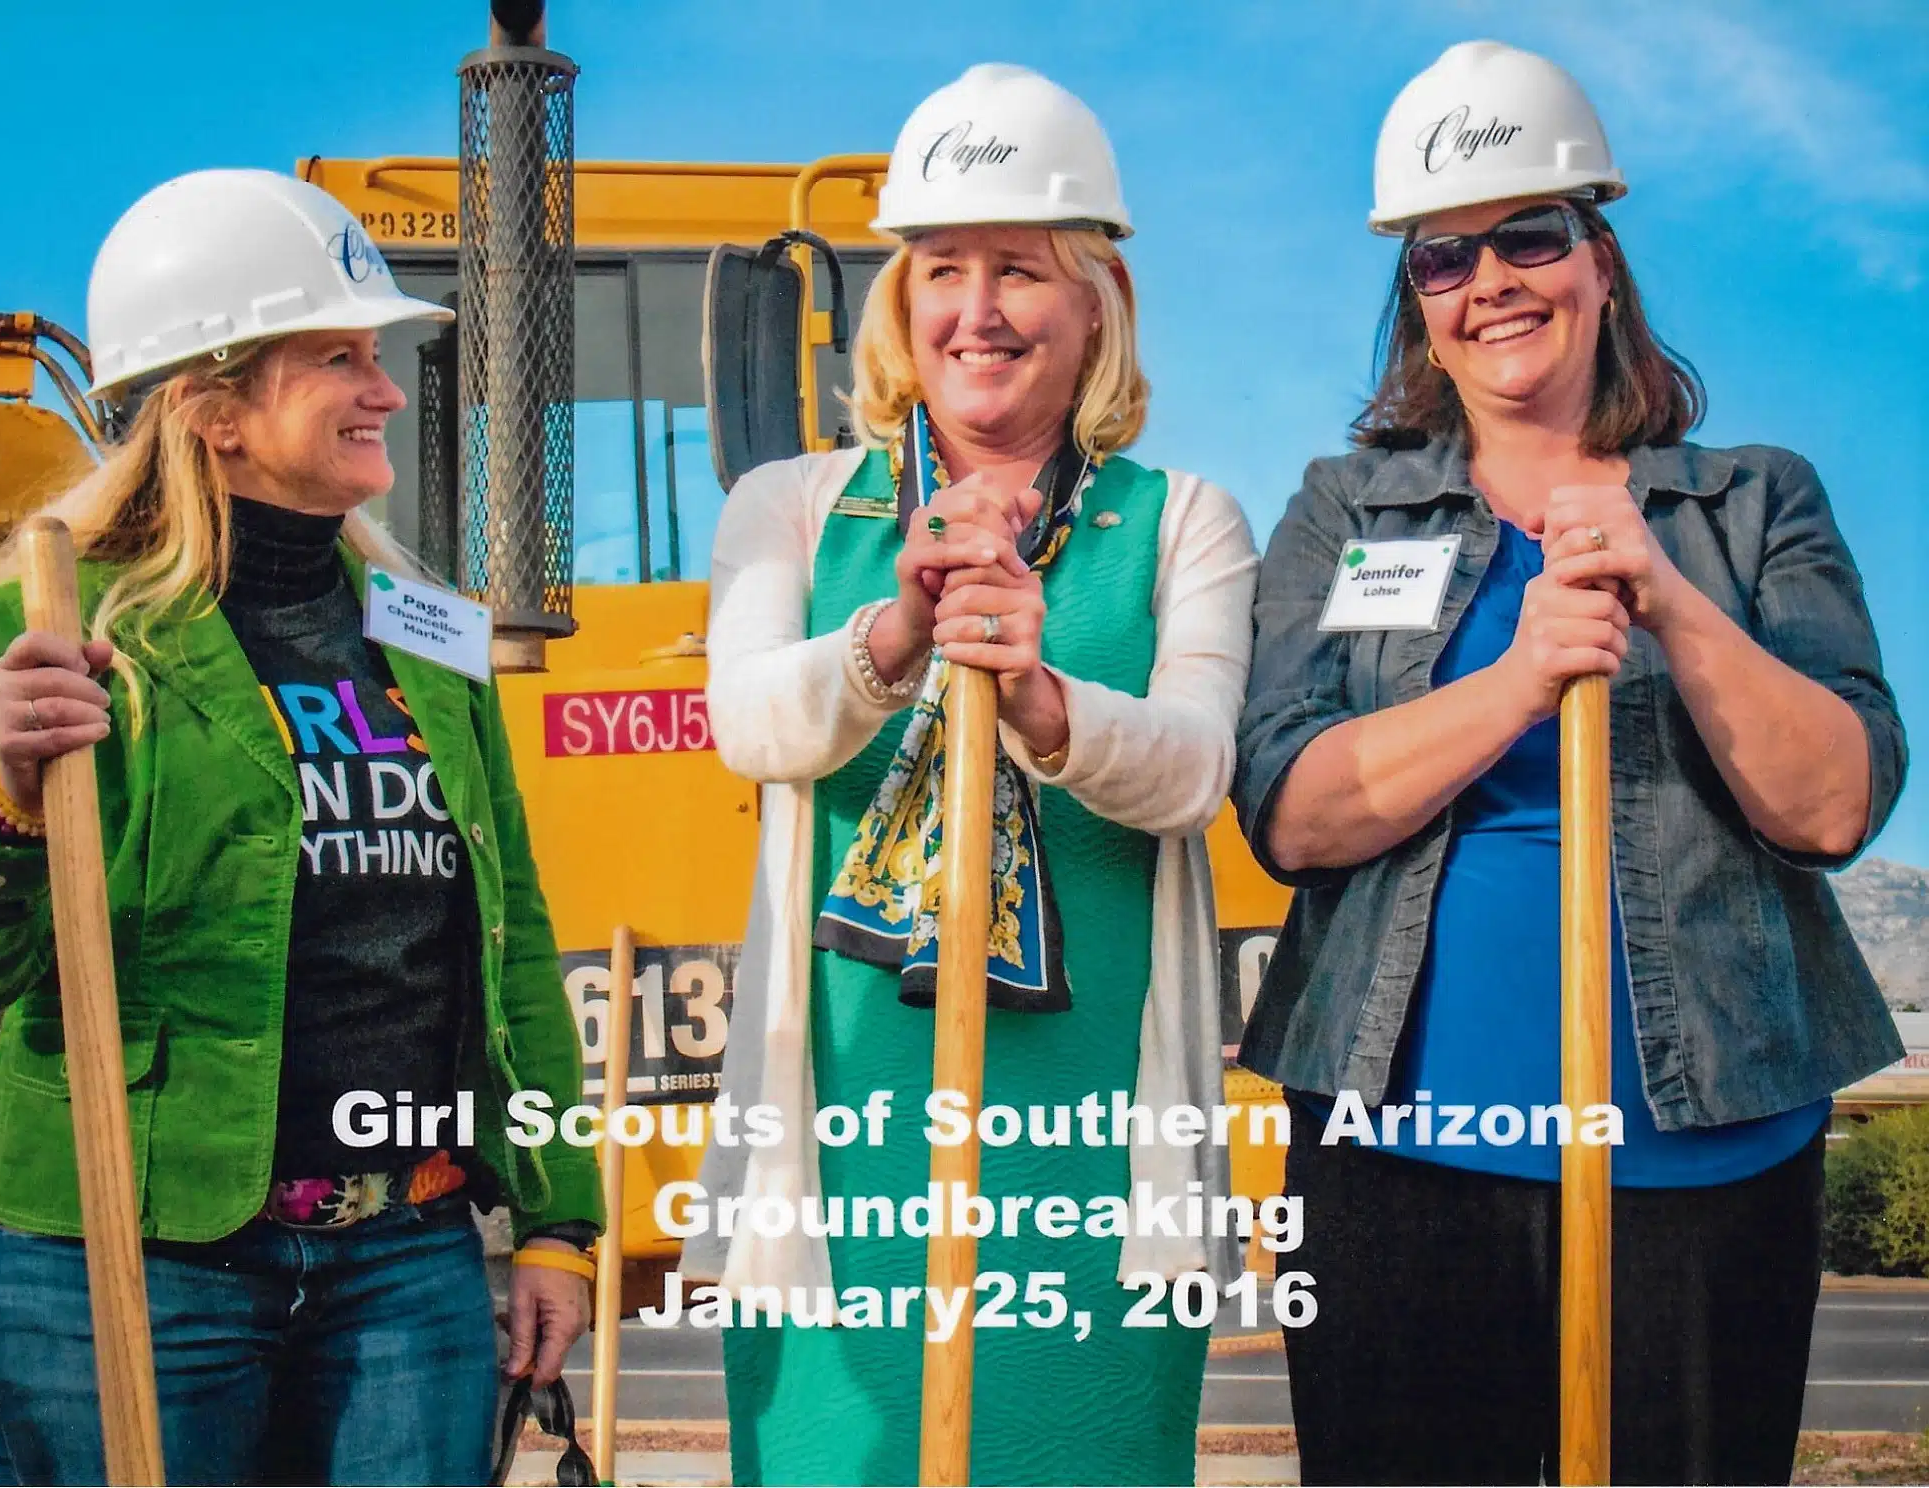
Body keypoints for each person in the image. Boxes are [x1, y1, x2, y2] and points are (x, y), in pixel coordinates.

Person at [1233, 41, 1907, 1487]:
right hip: (1397, 1151)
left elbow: (1834, 801)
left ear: (1600, 260)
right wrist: (1517, 681)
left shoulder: (1752, 503)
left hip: (1707, 1151)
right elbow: (1291, 810)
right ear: (1415, 302)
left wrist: (1668, 595)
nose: (1493, 281)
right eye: (1442, 256)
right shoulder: (1346, 512)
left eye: (1531, 236)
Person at [0, 169, 601, 1486]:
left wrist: (559, 1225)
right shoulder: (69, 622)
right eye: (338, 356)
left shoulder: (428, 633)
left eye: (374, 353)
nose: (384, 389)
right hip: (136, 1265)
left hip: (407, 1263)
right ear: (211, 409)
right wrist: (9, 802)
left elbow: (509, 949)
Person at [685, 62, 1261, 1487]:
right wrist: (898, 634)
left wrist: (1045, 699)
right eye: (944, 269)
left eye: (1024, 270)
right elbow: (754, 726)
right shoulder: (791, 509)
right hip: (843, 1142)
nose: (979, 310)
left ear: (1096, 309)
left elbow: (1194, 770)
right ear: (901, 303)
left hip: (1092, 1153)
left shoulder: (1184, 521)